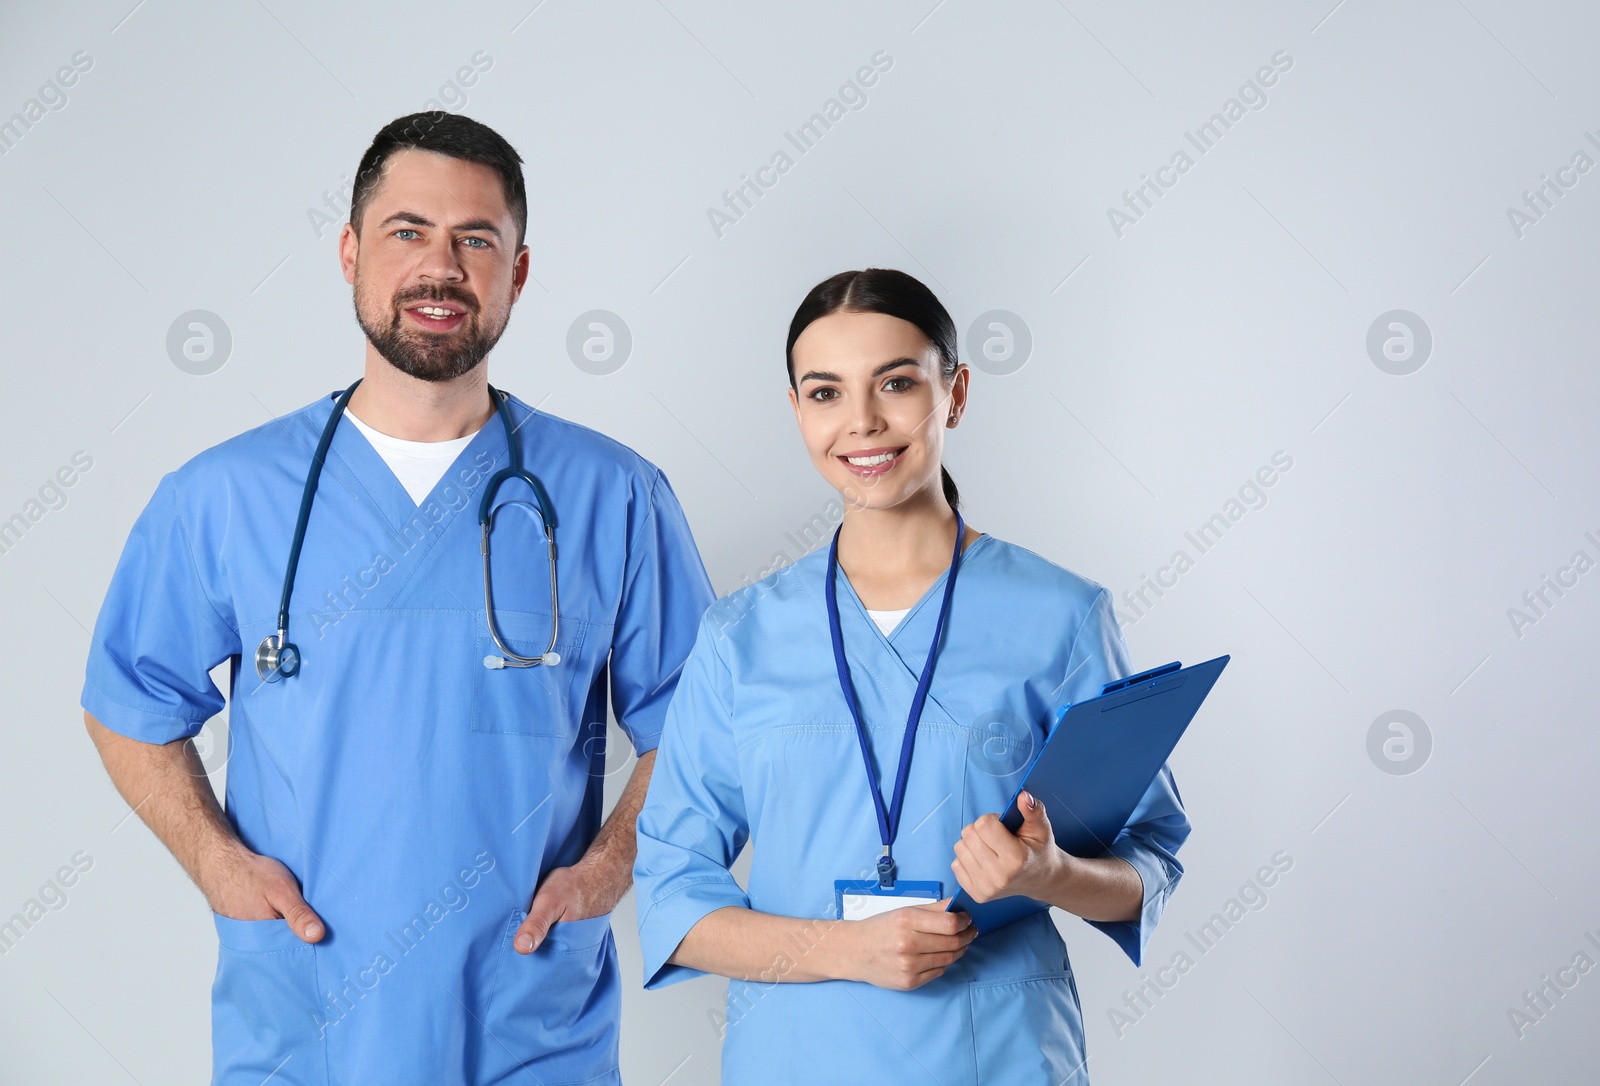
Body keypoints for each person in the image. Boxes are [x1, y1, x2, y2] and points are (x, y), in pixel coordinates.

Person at [81, 112, 713, 1085]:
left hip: (527, 1025)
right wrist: (216, 864)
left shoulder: (612, 495)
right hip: (305, 1023)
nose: (441, 267)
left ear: (520, 270)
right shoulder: (223, 495)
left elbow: (700, 726)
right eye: (408, 232)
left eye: (476, 239)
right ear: (350, 252)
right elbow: (127, 705)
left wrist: (610, 866)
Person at [633, 268, 1189, 1084]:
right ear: (797, 411)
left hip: (996, 1054)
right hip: (796, 1058)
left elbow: (1151, 858)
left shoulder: (1058, 616)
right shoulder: (739, 638)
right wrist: (845, 948)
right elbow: (674, 899)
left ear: (954, 393)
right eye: (825, 393)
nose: (861, 423)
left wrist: (1050, 874)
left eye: (896, 383)